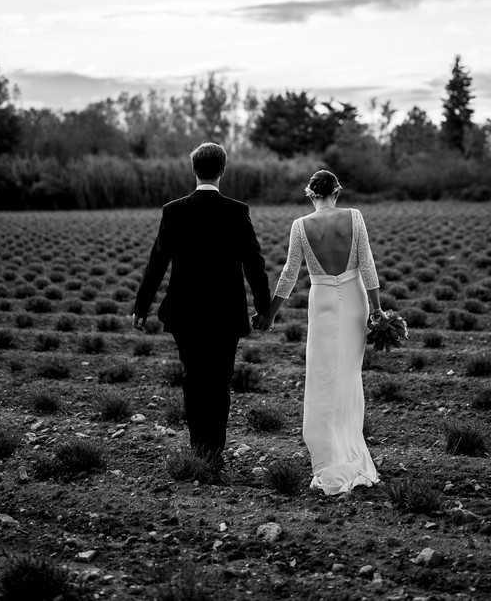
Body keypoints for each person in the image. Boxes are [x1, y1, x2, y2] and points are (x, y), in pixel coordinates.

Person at [132, 142, 272, 470]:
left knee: (194, 378)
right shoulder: (237, 211)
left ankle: (199, 450)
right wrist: (264, 307)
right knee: (220, 380)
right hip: (225, 312)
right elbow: (255, 262)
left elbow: (157, 262)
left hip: (186, 312)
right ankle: (215, 451)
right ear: (222, 170)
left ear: (194, 170)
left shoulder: (174, 210)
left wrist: (142, 306)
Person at [268, 169, 386, 495]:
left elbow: (290, 274)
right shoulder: (355, 217)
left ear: (310, 194)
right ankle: (350, 449)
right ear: (337, 191)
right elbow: (368, 265)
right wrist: (378, 311)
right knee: (348, 376)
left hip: (321, 303)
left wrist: (270, 313)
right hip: (354, 301)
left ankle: (329, 455)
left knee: (322, 377)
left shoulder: (300, 226)